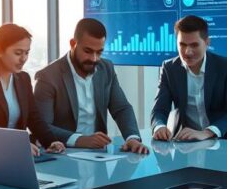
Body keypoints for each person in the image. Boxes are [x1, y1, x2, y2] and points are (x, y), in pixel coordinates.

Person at [34, 18, 148, 154]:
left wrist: (132, 138)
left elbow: (121, 108)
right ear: (72, 44)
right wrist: (79, 139)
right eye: (88, 51)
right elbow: (42, 125)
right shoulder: (48, 76)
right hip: (62, 153)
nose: (94, 59)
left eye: (99, 52)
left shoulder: (106, 69)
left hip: (97, 154)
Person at [0, 23, 65, 156]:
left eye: (27, 53)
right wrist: (16, 146)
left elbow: (33, 117)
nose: (23, 58)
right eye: (18, 53)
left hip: (19, 155)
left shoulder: (23, 79)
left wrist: (51, 141)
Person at [150, 15, 227, 142]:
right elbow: (159, 109)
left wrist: (207, 132)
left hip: (224, 139)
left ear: (207, 42)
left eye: (194, 45)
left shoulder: (224, 66)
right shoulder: (169, 68)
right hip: (187, 142)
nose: (187, 52)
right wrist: (160, 127)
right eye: (182, 45)